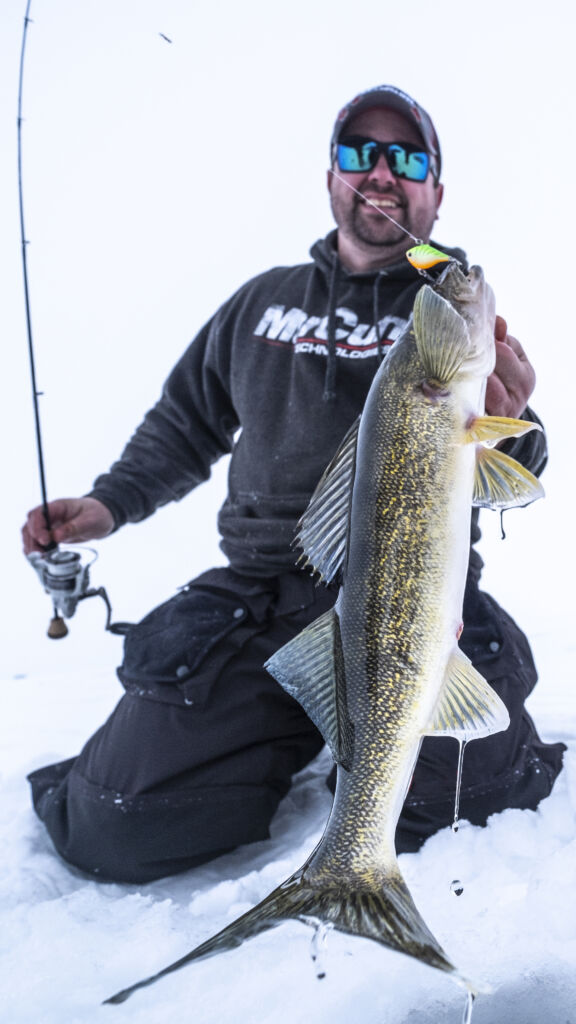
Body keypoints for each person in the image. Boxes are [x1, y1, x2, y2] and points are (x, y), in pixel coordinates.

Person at [22, 85, 565, 884]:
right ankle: (266, 744)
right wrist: (107, 505)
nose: (381, 171)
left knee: (471, 796)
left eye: (407, 158)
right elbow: (184, 422)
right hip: (262, 592)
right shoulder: (262, 303)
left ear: (435, 194)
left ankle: (373, 765)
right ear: (331, 178)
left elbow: (521, 458)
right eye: (360, 153)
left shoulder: (444, 311)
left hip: (415, 597)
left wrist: (514, 421)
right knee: (116, 822)